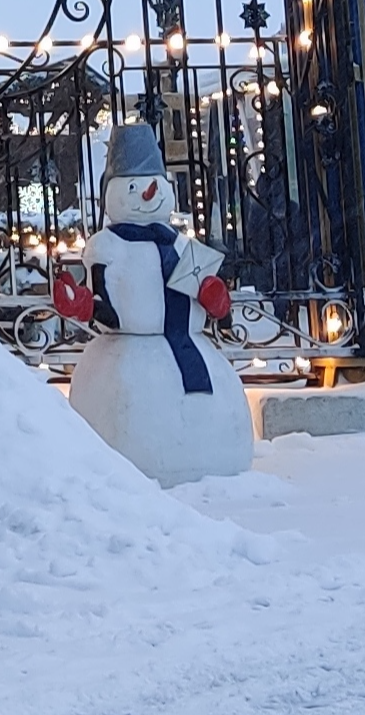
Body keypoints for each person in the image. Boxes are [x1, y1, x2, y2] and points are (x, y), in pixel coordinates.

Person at [64, 123, 254, 483]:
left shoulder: (182, 245)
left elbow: (211, 301)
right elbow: (105, 308)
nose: (146, 193)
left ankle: (213, 457)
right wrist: (84, 306)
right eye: (132, 187)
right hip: (128, 359)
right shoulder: (109, 247)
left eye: (152, 183)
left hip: (189, 347)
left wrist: (215, 300)